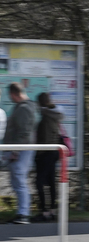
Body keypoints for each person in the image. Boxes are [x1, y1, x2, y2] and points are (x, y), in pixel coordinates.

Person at [4, 82, 37, 224]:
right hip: (20, 149)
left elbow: (23, 132)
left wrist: (15, 151)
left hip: (22, 150)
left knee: (19, 180)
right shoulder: (24, 107)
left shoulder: (24, 108)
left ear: (13, 94)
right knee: (17, 181)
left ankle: (23, 214)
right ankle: (22, 212)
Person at [35, 92, 64, 222]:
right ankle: (52, 211)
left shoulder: (46, 116)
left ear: (40, 103)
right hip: (53, 152)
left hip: (46, 153)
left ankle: (45, 212)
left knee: (39, 182)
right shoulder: (54, 114)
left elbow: (45, 139)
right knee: (51, 182)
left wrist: (38, 154)